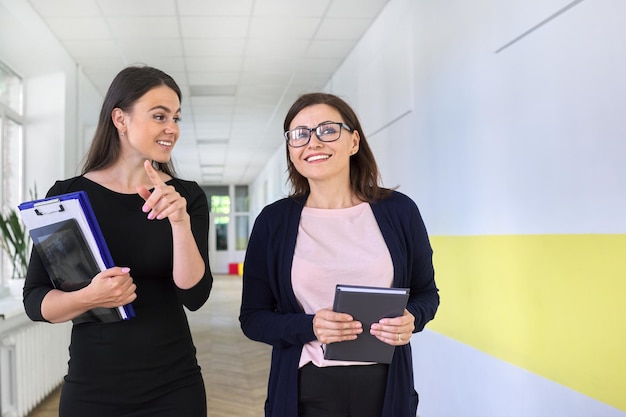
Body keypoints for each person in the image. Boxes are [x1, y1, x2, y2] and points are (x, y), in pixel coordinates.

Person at [23, 65, 214, 417]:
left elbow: (195, 295)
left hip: (174, 385)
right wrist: (89, 297)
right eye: (160, 116)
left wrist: (180, 221)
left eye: (176, 118)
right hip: (92, 387)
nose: (172, 128)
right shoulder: (66, 196)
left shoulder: (186, 196)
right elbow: (35, 301)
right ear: (120, 119)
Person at [239, 92, 440, 417]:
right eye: (299, 134)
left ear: (354, 141)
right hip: (305, 389)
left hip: (386, 387)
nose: (313, 142)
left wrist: (412, 319)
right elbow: (253, 318)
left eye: (327, 130)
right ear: (291, 150)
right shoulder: (274, 221)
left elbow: (426, 294)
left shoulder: (399, 211)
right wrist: (310, 327)